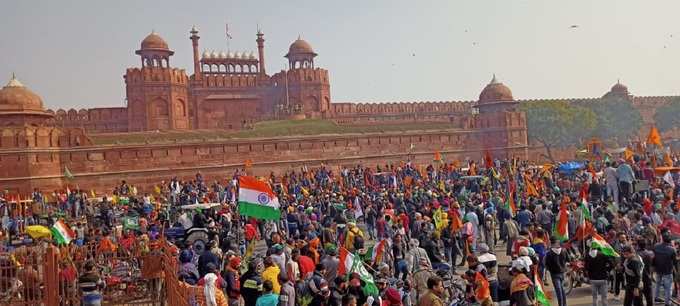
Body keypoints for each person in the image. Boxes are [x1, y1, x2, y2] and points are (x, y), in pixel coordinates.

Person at [585, 241, 613, 306]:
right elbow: (611, 263)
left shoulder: (587, 256)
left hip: (593, 279)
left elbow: (586, 268)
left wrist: (588, 274)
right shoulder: (603, 254)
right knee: (604, 298)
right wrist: (607, 270)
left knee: (594, 298)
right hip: (603, 278)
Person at [653, 232, 677, 306]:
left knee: (657, 284)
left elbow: (654, 258)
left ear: (662, 239)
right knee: (668, 287)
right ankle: (667, 303)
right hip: (667, 270)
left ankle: (656, 298)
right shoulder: (672, 249)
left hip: (658, 269)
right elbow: (674, 261)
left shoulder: (656, 246)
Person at [544, 237, 567, 306]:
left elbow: (546, 264)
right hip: (562, 273)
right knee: (562, 290)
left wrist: (549, 269)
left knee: (558, 290)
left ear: (551, 243)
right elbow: (567, 260)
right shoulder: (564, 250)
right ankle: (564, 304)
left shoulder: (549, 253)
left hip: (554, 274)